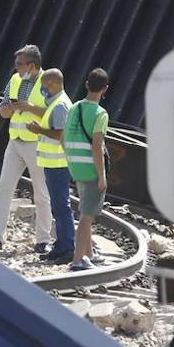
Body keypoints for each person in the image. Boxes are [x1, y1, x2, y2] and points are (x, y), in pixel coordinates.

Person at [0, 45, 53, 252]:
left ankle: (43, 240)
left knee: (41, 193)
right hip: (15, 141)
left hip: (37, 144)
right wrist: (9, 108)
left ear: (32, 65)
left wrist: (29, 108)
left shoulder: (49, 83)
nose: (16, 67)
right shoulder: (15, 80)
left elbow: (56, 114)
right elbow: (3, 112)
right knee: (4, 188)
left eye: (19, 64)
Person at [26, 68, 75, 264]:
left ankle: (66, 248)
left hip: (58, 163)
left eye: (45, 86)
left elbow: (61, 134)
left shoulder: (60, 105)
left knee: (61, 206)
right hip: (52, 162)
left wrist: (38, 130)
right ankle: (61, 245)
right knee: (58, 205)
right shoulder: (56, 102)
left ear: (53, 84)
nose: (43, 90)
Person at [64, 69, 110, 271]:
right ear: (105, 89)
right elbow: (97, 147)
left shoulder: (74, 107)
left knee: (85, 209)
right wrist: (102, 176)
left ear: (86, 84)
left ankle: (90, 253)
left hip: (75, 166)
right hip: (91, 169)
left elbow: (63, 138)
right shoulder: (100, 114)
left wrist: (71, 161)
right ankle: (78, 259)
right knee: (86, 216)